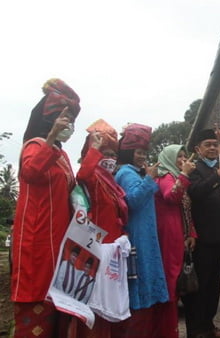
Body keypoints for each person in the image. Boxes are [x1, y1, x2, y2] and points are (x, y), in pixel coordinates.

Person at [12, 78, 80, 337]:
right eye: (65, 119)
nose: (69, 126)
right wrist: (50, 138)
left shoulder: (62, 156)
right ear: (49, 119)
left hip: (60, 242)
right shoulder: (34, 146)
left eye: (71, 121)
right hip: (37, 241)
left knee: (58, 311)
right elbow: (31, 172)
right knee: (35, 309)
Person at [75, 119, 129, 337]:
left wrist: (123, 236)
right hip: (97, 251)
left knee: (113, 305)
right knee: (97, 308)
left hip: (114, 251)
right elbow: (83, 175)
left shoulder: (112, 182)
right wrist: (94, 150)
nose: (110, 158)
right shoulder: (93, 177)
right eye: (105, 153)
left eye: (113, 154)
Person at [114, 123, 169, 336]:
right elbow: (132, 201)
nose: (142, 156)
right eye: (138, 152)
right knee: (138, 290)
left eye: (144, 152)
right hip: (137, 237)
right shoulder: (127, 173)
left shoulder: (135, 172)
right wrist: (149, 179)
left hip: (146, 235)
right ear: (128, 152)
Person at [183, 128, 220, 338]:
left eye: (215, 144)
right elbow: (196, 192)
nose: (212, 148)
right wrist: (219, 173)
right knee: (199, 287)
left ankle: (209, 324)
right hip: (201, 238)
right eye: (208, 145)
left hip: (219, 236)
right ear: (198, 149)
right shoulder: (194, 169)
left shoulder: (219, 167)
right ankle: (196, 330)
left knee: (214, 287)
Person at [154, 144, 198, 338]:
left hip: (180, 233)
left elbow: (186, 208)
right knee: (171, 283)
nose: (182, 160)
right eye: (178, 156)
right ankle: (168, 331)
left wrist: (191, 234)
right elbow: (171, 196)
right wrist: (185, 176)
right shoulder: (166, 177)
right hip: (169, 235)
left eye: (184, 156)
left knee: (176, 282)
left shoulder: (176, 176)